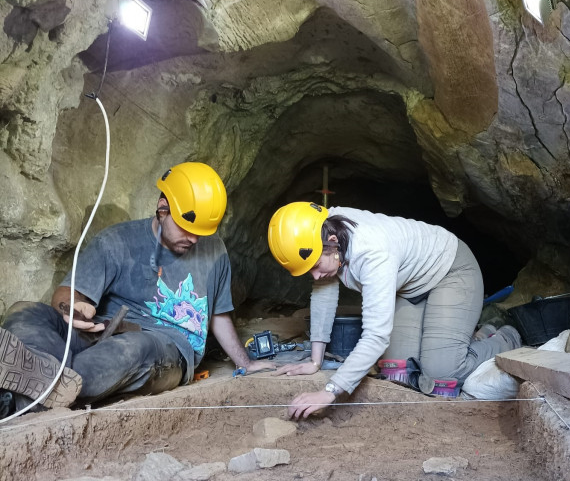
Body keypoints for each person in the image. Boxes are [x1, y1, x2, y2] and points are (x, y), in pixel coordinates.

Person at [0, 162, 271, 419]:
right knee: (25, 312)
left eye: (200, 231)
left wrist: (245, 362)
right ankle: (44, 385)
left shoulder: (215, 251)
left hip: (167, 346)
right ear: (162, 208)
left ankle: (31, 392)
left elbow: (218, 316)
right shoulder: (115, 241)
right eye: (186, 227)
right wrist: (74, 308)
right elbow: (66, 294)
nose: (193, 238)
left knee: (134, 349)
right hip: (98, 332)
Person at [268, 201, 521, 419]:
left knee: (442, 375)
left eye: (315, 265)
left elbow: (376, 335)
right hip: (410, 289)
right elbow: (324, 290)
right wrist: (315, 360)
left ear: (332, 242)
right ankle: (466, 336)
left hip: (451, 272)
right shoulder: (322, 228)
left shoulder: (372, 251)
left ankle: (505, 337)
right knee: (398, 371)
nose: (315, 275)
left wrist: (330, 390)